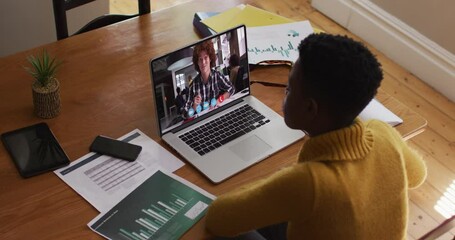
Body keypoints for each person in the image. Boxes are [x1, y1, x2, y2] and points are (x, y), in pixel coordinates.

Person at [204, 33, 427, 239]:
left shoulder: (308, 182)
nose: (286, 92)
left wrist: (278, 182)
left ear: (310, 109)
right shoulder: (384, 133)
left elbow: (218, 218)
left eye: (289, 89)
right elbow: (418, 175)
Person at [184, 40, 234, 117]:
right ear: (197, 62)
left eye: (206, 58)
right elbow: (185, 114)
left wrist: (219, 100)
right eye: (200, 59)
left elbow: (231, 88)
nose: (203, 62)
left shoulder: (217, 76)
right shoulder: (193, 86)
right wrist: (194, 106)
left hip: (219, 116)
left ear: (210, 58)